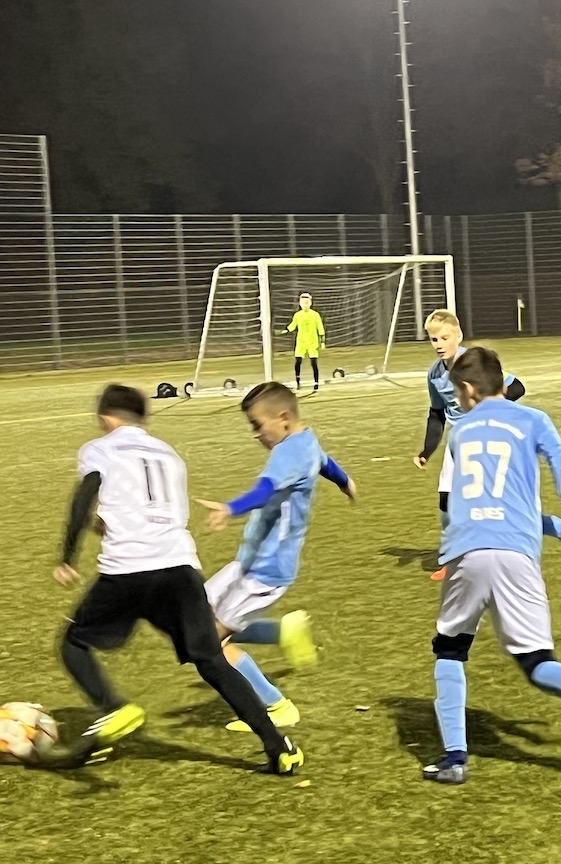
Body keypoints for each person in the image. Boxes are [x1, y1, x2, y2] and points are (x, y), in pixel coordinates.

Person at [421, 347, 561, 785]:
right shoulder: (534, 419)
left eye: (458, 394)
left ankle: (454, 758)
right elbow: (559, 470)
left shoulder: (461, 434)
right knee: (538, 662)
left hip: (468, 551)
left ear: (468, 389)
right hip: (516, 554)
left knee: (451, 649)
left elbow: (462, 507)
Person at [56, 384, 302, 773]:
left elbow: (83, 498)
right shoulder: (168, 454)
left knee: (73, 643)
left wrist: (67, 557)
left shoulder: (99, 449)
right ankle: (279, 746)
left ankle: (115, 708)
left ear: (106, 418)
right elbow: (158, 513)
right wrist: (110, 524)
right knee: (211, 658)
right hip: (179, 569)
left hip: (127, 570)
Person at [197, 382, 356, 732]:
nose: (255, 434)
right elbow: (324, 462)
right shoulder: (304, 441)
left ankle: (277, 706)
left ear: (283, 418)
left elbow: (264, 489)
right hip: (251, 561)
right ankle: (283, 632)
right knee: (198, 616)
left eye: (257, 425)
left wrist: (231, 508)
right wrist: (345, 481)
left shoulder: (288, 454)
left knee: (209, 643)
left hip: (265, 571)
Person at [412, 309, 561, 580]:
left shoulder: (473, 363)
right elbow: (437, 414)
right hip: (461, 440)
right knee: (446, 501)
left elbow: (516, 387)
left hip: (491, 436)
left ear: (458, 336)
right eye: (434, 339)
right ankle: (453, 558)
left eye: (445, 338)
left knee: (503, 504)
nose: (439, 345)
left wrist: (489, 409)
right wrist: (426, 451)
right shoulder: (434, 374)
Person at [280, 293, 325, 391]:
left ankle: (316, 383)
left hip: (312, 342)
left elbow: (320, 328)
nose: (305, 305)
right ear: (300, 303)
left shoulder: (315, 315)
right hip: (301, 342)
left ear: (311, 303)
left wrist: (322, 341)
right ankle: (298, 381)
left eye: (307, 302)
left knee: (314, 362)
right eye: (303, 303)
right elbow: (293, 325)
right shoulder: (297, 315)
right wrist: (286, 330)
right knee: (298, 362)